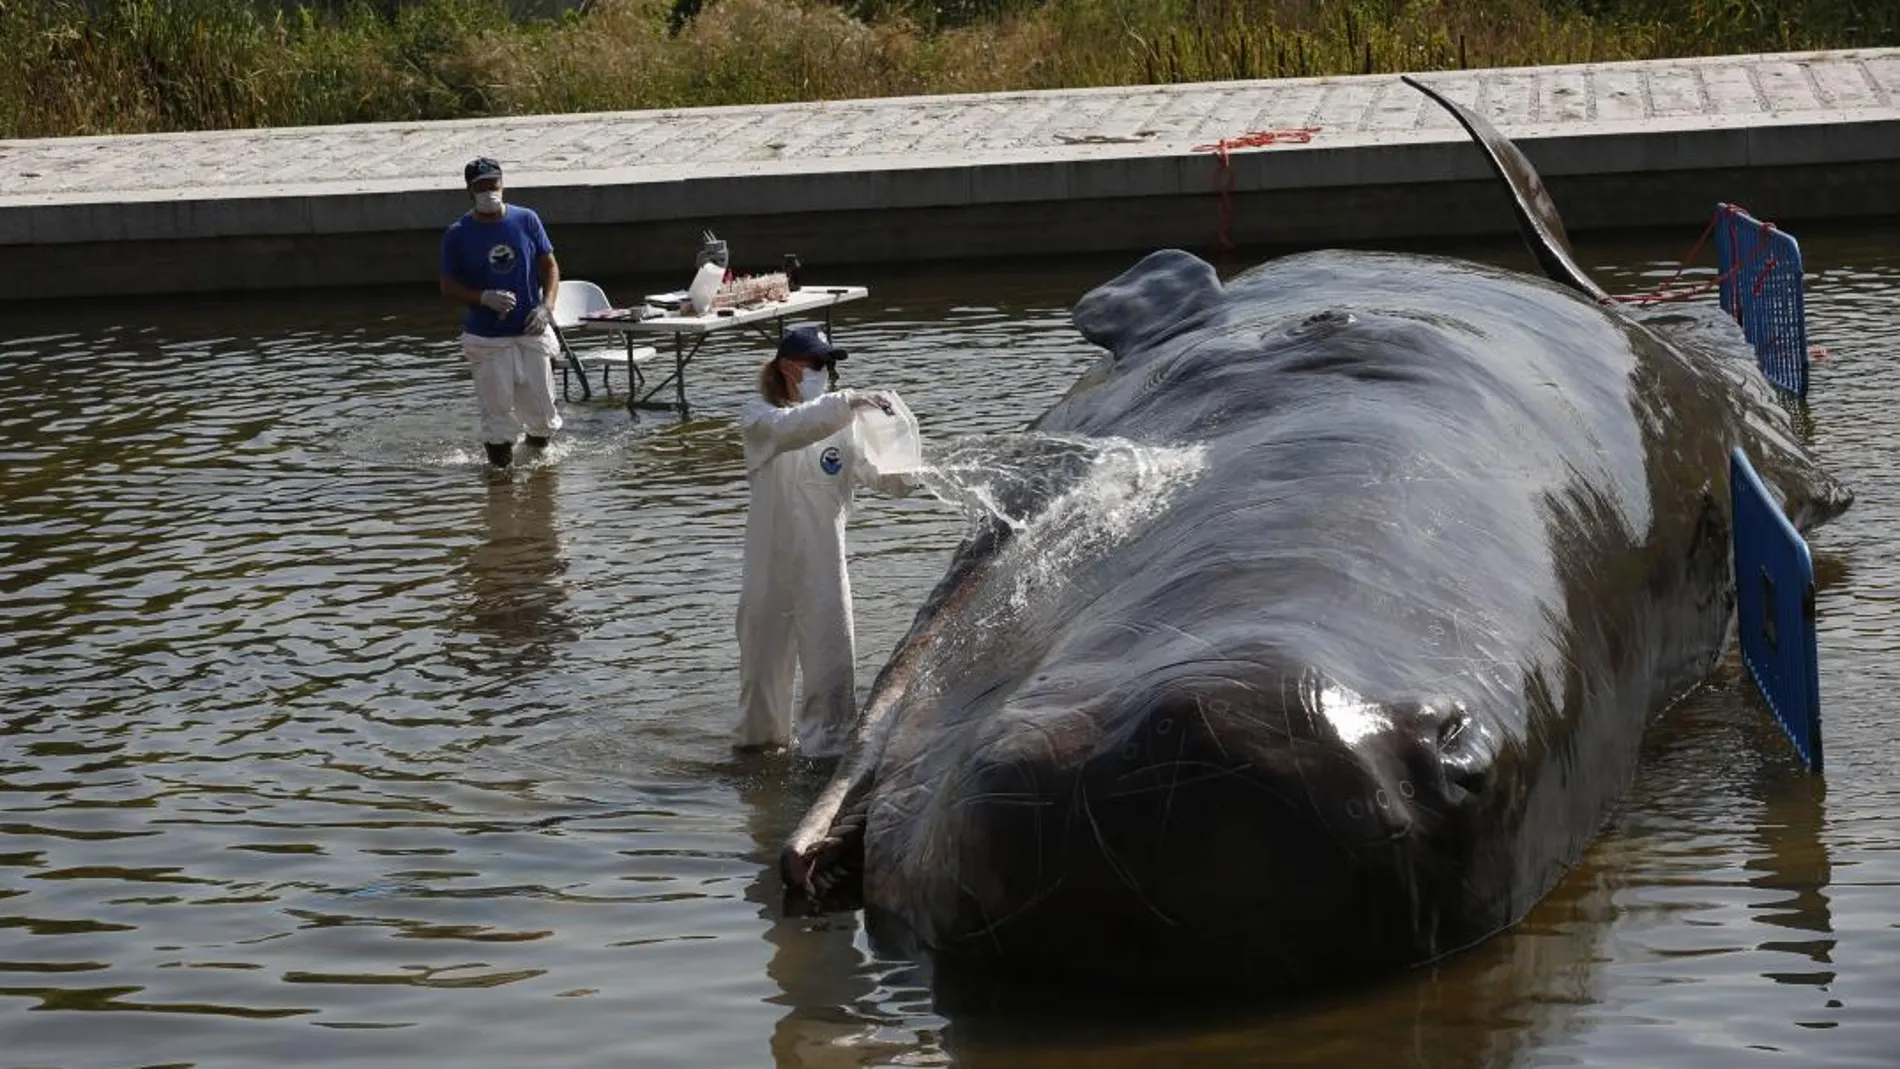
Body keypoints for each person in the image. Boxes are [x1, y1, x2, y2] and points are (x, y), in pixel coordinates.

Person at [734, 324, 914, 757]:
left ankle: (825, 766)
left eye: (829, 366)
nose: (826, 373)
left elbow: (890, 482)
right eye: (817, 364)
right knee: (762, 684)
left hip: (824, 569)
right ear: (788, 368)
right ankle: (757, 768)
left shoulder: (842, 420)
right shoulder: (757, 415)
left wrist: (896, 433)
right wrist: (845, 403)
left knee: (832, 675)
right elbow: (792, 428)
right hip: (769, 571)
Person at [438, 156, 564, 469]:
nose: (489, 192)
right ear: (469, 191)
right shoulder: (457, 233)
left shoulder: (526, 219)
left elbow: (549, 265)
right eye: (480, 187)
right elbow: (447, 286)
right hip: (487, 336)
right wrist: (482, 297)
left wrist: (546, 307)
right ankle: (500, 477)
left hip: (530, 329)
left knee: (541, 410)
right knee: (498, 415)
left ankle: (539, 470)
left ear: (502, 184)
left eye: (493, 185)